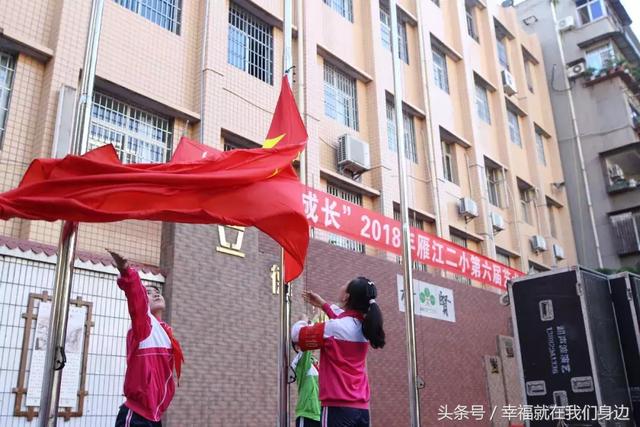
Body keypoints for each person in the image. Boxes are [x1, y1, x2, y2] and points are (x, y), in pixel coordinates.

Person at [292, 277, 385, 427]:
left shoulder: (334, 328)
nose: (341, 286)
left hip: (338, 409)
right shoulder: (366, 327)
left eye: (345, 284)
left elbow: (297, 335)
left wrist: (302, 321)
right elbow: (343, 319)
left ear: (346, 296)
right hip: (361, 410)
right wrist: (323, 305)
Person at [109, 250, 184, 427]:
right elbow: (136, 300)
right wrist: (127, 271)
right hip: (136, 415)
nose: (156, 294)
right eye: (149, 293)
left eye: (158, 291)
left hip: (154, 416)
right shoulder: (144, 326)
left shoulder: (165, 332)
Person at [291, 344, 321, 427]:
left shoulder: (315, 363)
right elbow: (306, 349)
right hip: (307, 413)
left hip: (319, 414)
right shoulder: (301, 362)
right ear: (297, 347)